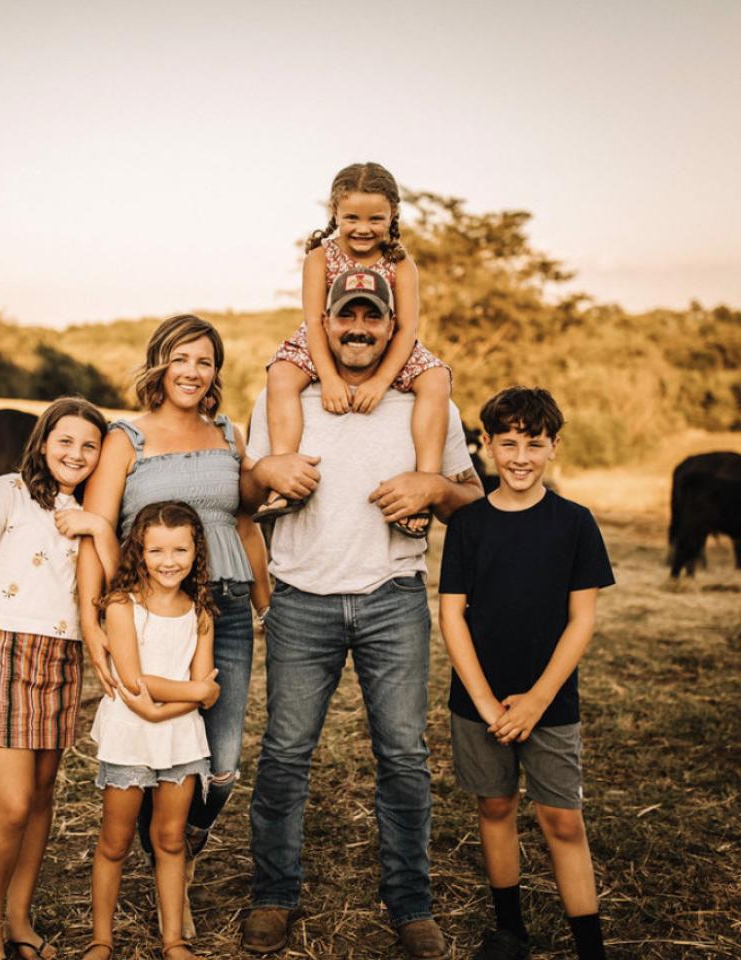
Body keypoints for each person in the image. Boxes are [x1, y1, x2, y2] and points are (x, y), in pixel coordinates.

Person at [240, 268, 485, 958]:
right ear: (326, 322)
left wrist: (431, 483)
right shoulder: (288, 394)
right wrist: (268, 474)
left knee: (404, 757)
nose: (356, 328)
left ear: (389, 325)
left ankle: (411, 904)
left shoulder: (422, 397)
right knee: (286, 754)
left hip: (392, 598)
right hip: (301, 599)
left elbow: (472, 497)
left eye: (370, 318)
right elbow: (245, 486)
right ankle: (273, 895)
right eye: (345, 316)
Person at [77, 314, 277, 936]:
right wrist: (96, 622)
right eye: (182, 359)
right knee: (149, 742)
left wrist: (266, 600)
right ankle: (168, 864)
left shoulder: (228, 433)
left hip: (222, 606)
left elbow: (245, 523)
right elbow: (96, 527)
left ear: (216, 372)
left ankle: (176, 852)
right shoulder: (124, 438)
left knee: (219, 766)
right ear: (159, 364)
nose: (193, 372)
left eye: (206, 362)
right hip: (148, 609)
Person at [438, 387, 615, 960]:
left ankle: (590, 944)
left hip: (551, 703)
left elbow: (581, 621)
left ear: (554, 448)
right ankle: (509, 929)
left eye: (534, 444)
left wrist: (537, 699)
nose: (520, 457)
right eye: (507, 442)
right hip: (477, 702)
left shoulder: (574, 523)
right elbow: (451, 615)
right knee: (494, 806)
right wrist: (488, 704)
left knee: (562, 818)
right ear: (486, 445)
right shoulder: (468, 524)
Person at [0, 396, 116, 960]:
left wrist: (98, 525)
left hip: (63, 657)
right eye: (65, 440)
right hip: (5, 654)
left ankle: (19, 918)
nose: (76, 453)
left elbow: (112, 586)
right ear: (43, 441)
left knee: (43, 798)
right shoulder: (6, 494)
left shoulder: (93, 513)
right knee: (14, 803)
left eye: (90, 446)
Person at [255, 161, 451, 538]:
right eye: (352, 217)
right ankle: (285, 473)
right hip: (325, 336)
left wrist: (379, 382)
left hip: (391, 339)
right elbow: (314, 321)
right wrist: (328, 377)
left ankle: (424, 481)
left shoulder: (400, 262)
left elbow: (407, 326)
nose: (364, 228)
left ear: (393, 214)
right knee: (280, 373)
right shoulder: (319, 257)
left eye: (375, 218)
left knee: (437, 378)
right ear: (334, 213)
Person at [84, 501, 221, 960]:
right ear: (139, 552)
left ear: (195, 550)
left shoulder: (199, 611)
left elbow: (209, 688)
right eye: (157, 550)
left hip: (181, 740)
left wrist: (180, 701)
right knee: (115, 840)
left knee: (169, 838)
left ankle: (173, 940)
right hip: (131, 736)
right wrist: (191, 694)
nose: (169, 561)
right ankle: (101, 938)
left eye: (180, 550)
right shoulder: (123, 605)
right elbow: (134, 679)